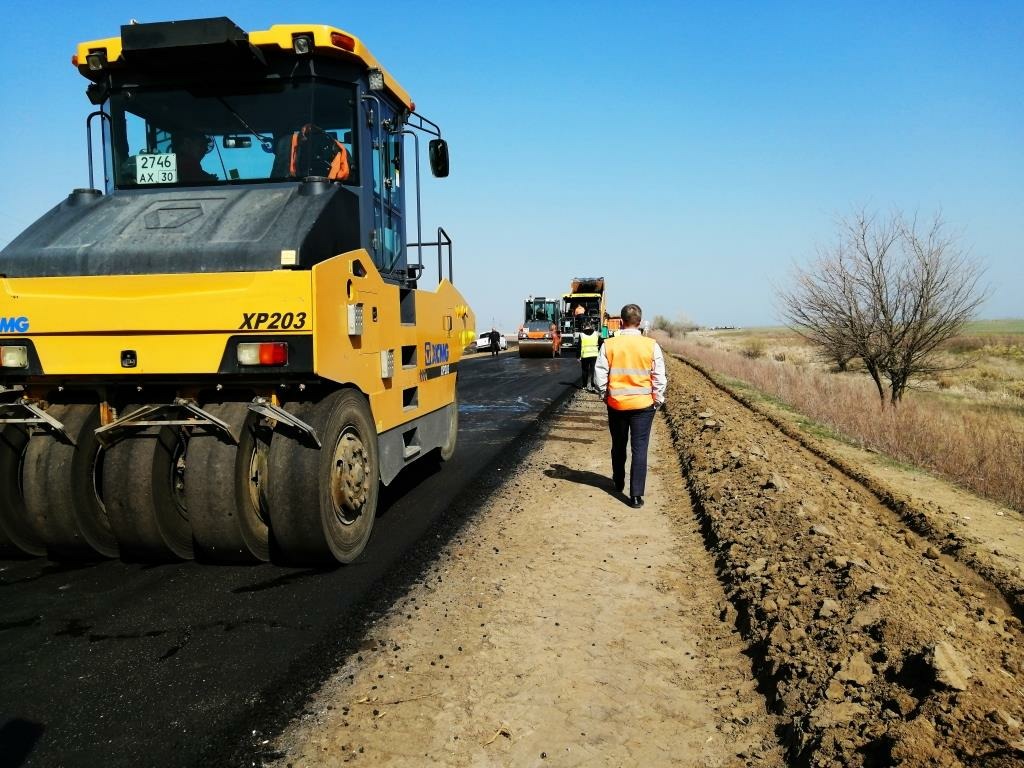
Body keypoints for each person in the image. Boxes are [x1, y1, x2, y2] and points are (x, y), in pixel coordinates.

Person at [594, 303, 667, 509]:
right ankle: (635, 496)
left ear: (622, 321)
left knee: (618, 444)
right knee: (640, 449)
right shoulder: (651, 345)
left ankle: (618, 481)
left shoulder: (609, 345)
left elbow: (600, 374)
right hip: (644, 406)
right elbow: (659, 377)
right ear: (640, 322)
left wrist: (604, 394)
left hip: (616, 404)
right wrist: (657, 399)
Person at [578, 323, 599, 391]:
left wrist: (578, 356)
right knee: (593, 371)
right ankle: (593, 386)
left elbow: (579, 346)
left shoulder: (581, 335)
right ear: (590, 327)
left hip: (585, 355)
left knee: (585, 371)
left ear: (584, 327)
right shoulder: (596, 333)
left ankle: (584, 386)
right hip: (594, 355)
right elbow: (601, 342)